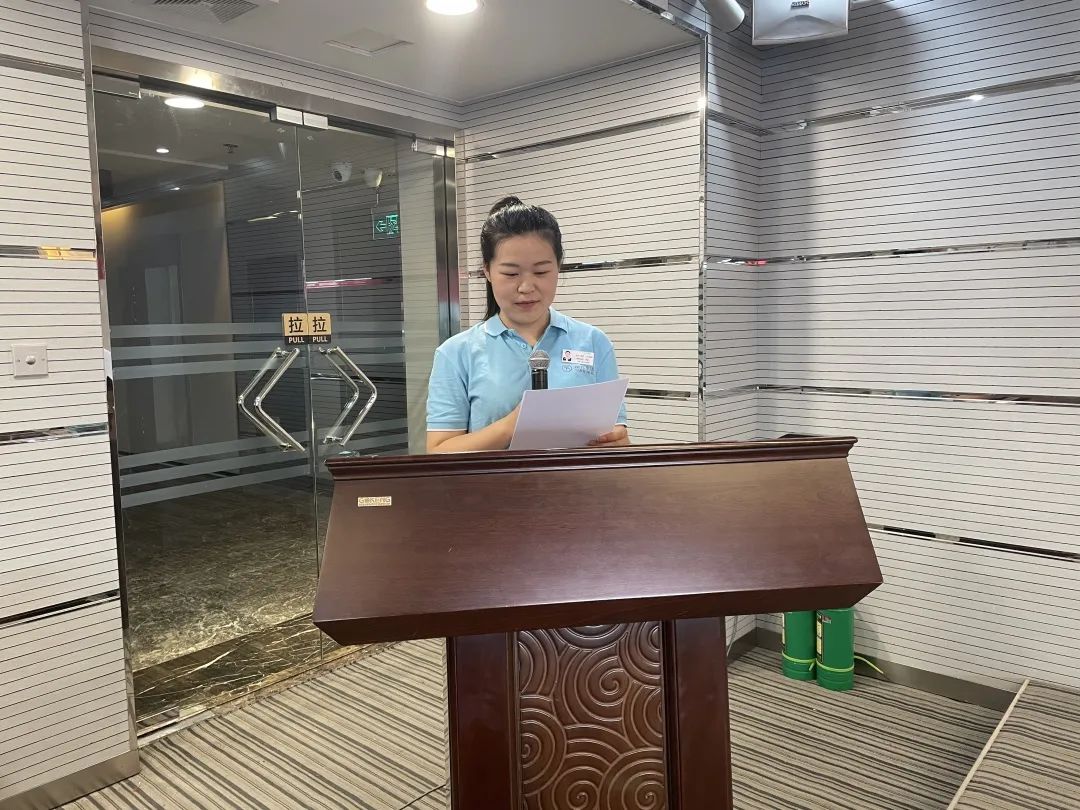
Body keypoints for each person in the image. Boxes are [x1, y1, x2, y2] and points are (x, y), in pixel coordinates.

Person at [426, 196, 630, 453]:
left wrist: (618, 444)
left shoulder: (593, 342)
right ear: (487, 271)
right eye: (511, 274)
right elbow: (438, 451)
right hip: (493, 481)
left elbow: (615, 436)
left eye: (541, 272)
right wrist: (513, 425)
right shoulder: (456, 353)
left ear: (558, 267)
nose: (526, 287)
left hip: (575, 479)